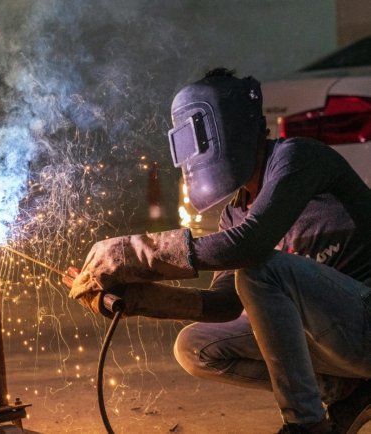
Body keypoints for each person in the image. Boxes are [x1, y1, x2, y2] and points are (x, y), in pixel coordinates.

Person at [67, 68, 371, 434]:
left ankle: (305, 425)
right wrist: (136, 299)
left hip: (365, 321)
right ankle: (346, 391)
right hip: (335, 344)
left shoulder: (298, 158)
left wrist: (134, 253)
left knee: (260, 269)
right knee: (194, 346)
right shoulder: (234, 214)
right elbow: (225, 305)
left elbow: (249, 245)